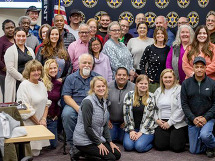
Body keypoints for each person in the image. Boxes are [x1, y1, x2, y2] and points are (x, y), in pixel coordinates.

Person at [73, 76, 121, 161]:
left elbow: (105, 125)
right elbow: (87, 127)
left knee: (117, 155)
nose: (101, 88)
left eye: (103, 86)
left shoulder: (104, 101)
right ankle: (79, 152)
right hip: (84, 140)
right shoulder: (88, 102)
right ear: (93, 88)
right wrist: (98, 143)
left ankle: (86, 154)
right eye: (98, 86)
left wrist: (110, 142)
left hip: (95, 137)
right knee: (111, 158)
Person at [61, 54, 99, 157]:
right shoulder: (70, 78)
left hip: (92, 105)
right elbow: (67, 97)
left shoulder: (97, 78)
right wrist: (78, 108)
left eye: (89, 63)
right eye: (84, 63)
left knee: (105, 115)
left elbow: (101, 95)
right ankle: (74, 145)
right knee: (67, 114)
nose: (87, 65)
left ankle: (92, 144)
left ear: (92, 65)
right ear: (79, 64)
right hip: (74, 105)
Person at [181, 57, 215, 158]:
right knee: (194, 150)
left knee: (205, 135)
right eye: (197, 67)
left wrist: (205, 118)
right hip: (193, 119)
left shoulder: (212, 83)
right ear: (193, 68)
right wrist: (193, 118)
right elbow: (184, 104)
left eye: (201, 67)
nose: (199, 69)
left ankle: (210, 145)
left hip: (208, 118)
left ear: (205, 68)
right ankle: (207, 143)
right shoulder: (186, 83)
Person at [16, 60, 51, 156]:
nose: (36, 73)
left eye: (38, 70)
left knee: (36, 154)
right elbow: (25, 109)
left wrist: (43, 119)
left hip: (41, 123)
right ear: (28, 72)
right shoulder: (24, 86)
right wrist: (39, 124)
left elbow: (47, 103)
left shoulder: (41, 84)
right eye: (33, 70)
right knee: (28, 154)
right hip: (29, 126)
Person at [154, 69, 187, 152]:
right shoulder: (158, 91)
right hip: (161, 121)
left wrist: (170, 123)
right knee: (160, 146)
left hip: (176, 122)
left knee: (177, 148)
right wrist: (156, 120)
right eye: (165, 77)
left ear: (174, 78)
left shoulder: (179, 89)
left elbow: (181, 108)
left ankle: (173, 137)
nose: (167, 79)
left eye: (170, 77)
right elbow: (152, 108)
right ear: (162, 79)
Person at [123, 75, 156, 152]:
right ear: (137, 84)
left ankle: (152, 143)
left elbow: (150, 118)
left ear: (148, 85)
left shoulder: (152, 97)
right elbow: (126, 114)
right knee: (128, 147)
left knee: (139, 147)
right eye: (141, 83)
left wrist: (141, 132)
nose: (143, 86)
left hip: (146, 129)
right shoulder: (129, 95)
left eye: (145, 84)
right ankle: (136, 139)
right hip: (132, 128)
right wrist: (131, 131)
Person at [4, 27, 35, 102]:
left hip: (29, 82)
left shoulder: (30, 50)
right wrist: (22, 79)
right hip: (16, 82)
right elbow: (10, 69)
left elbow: (34, 64)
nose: (21, 38)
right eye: (18, 36)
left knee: (27, 105)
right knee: (16, 106)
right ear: (14, 37)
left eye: (23, 36)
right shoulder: (10, 50)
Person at [108, 67, 135, 143]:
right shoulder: (107, 86)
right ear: (115, 76)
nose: (121, 77)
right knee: (111, 139)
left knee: (122, 140)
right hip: (111, 122)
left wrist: (127, 121)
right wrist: (107, 120)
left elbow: (136, 107)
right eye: (119, 75)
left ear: (128, 76)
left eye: (124, 75)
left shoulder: (134, 87)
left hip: (125, 122)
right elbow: (103, 105)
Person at [140, 26, 170, 93]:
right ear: (155, 36)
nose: (160, 35)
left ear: (165, 35)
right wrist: (145, 76)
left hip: (164, 82)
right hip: (151, 82)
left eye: (162, 33)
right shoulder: (149, 48)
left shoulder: (168, 49)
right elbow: (142, 63)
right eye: (158, 33)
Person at [43, 59, 62, 149]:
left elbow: (58, 101)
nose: (53, 70)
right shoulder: (41, 82)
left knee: (52, 145)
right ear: (46, 69)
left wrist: (57, 114)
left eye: (55, 68)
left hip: (52, 118)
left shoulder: (58, 83)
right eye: (50, 68)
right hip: (41, 117)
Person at [0, 19, 15, 102]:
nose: (10, 29)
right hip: (4, 74)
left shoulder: (17, 39)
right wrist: (8, 69)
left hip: (16, 73)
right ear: (3, 30)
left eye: (12, 27)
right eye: (7, 28)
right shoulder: (1, 41)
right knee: (7, 97)